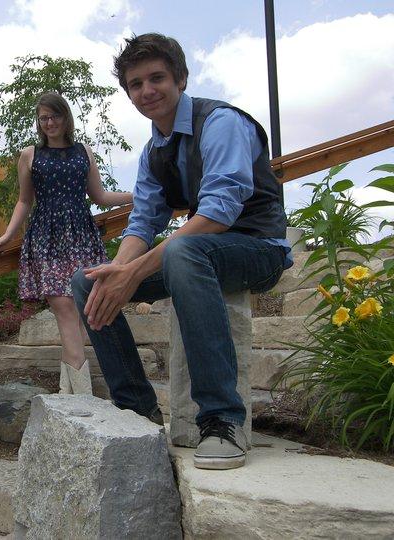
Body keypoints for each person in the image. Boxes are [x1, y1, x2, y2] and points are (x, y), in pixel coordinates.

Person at [71, 33, 291, 470]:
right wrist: (118, 271)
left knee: (182, 253)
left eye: (157, 78)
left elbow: (217, 213)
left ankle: (222, 420)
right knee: (87, 279)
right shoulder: (153, 150)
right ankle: (137, 408)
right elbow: (143, 222)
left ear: (181, 79)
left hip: (258, 249)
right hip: (202, 251)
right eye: (136, 84)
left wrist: (134, 273)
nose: (147, 91)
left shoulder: (222, 122)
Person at [0, 92, 132, 395]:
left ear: (65, 117)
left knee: (82, 315)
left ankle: (67, 395)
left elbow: (101, 197)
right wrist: (8, 235)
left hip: (82, 235)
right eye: (43, 118)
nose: (49, 122)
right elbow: (24, 200)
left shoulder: (84, 151)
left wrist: (140, 196)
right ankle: (84, 398)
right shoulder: (30, 154)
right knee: (66, 310)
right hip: (47, 238)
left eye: (54, 116)